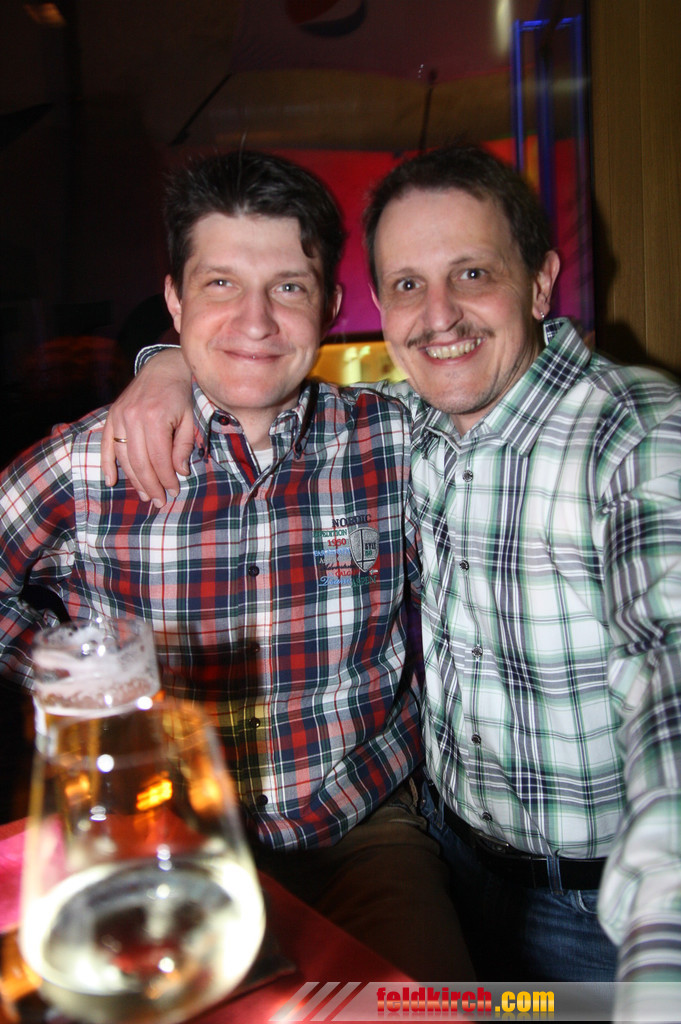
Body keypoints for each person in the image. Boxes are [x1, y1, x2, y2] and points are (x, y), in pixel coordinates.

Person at [103, 143, 681, 994]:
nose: (438, 316)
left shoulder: (637, 435)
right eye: (408, 284)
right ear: (376, 304)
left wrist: (664, 944)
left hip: (598, 915)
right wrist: (169, 364)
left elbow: (667, 677)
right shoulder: (399, 424)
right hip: (446, 858)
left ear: (539, 282)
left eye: (472, 274)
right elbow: (254, 355)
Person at [0, 150, 473, 980]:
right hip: (159, 846)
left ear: (330, 305)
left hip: (363, 835)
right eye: (220, 284)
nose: (255, 322)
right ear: (175, 300)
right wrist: (73, 670)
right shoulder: (86, 463)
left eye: (288, 287)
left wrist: (162, 362)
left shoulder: (395, 437)